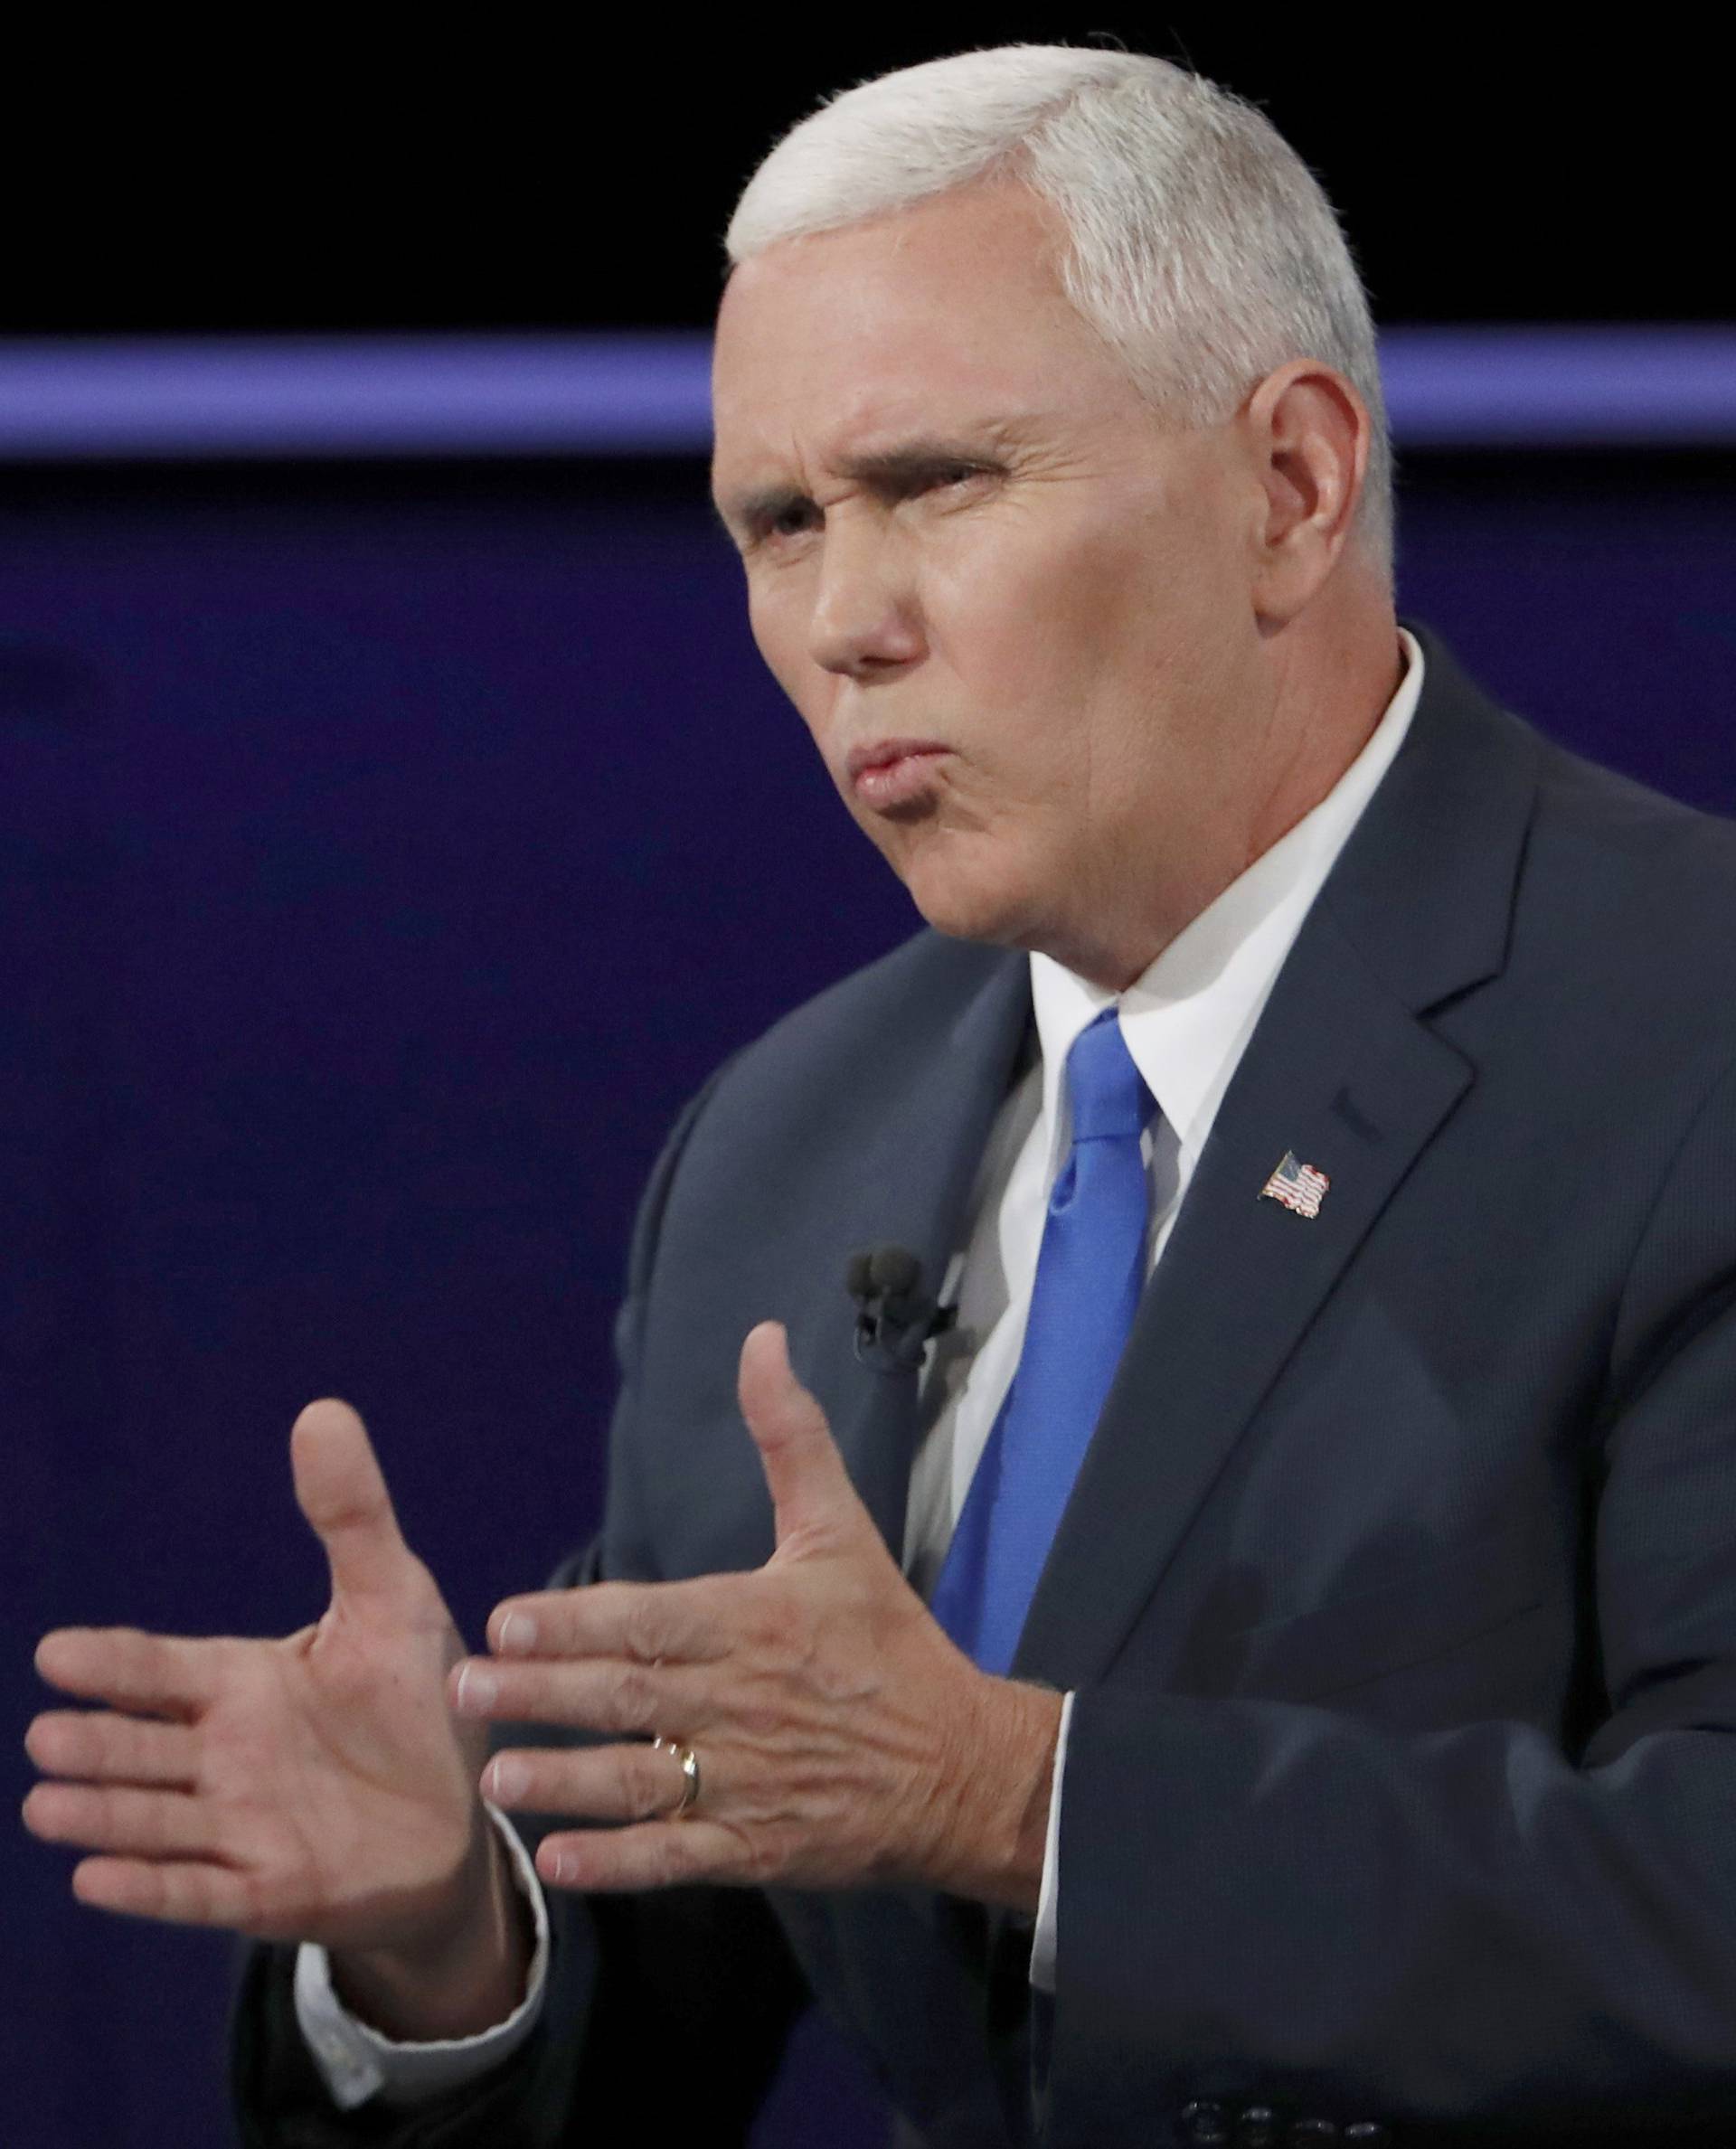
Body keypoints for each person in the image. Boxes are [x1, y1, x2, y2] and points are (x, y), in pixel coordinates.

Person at [24, 43, 1736, 2148]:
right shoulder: (784, 1144)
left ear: (1289, 485)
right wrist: (443, 1929)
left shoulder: (1688, 1032)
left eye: (939, 484)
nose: (846, 622)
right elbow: (665, 2001)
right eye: (778, 524)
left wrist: (1021, 1800)